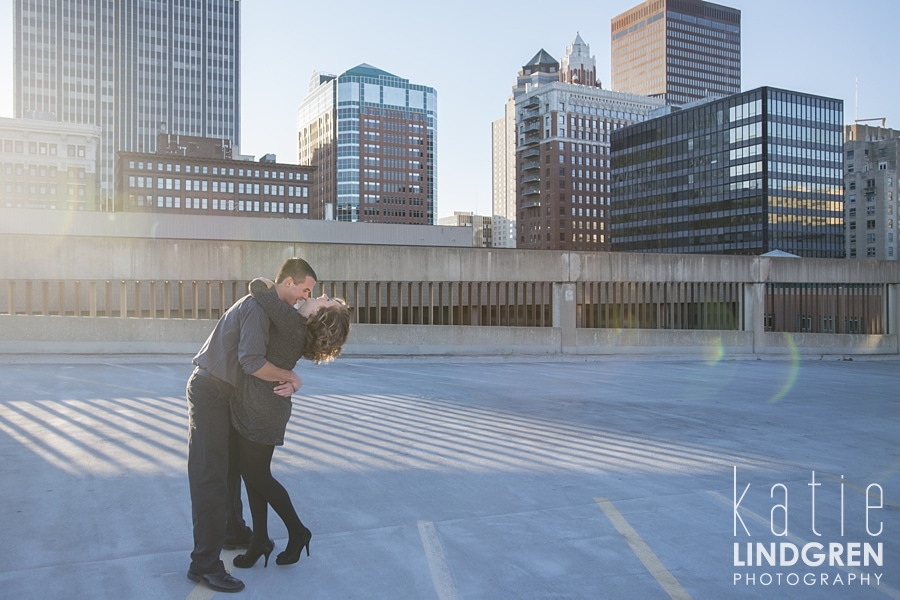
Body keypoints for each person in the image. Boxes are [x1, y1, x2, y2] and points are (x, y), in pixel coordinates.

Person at [186, 258, 317, 593]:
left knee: (231, 471)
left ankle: (233, 532)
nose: (305, 297)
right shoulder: (260, 309)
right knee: (211, 477)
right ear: (289, 282)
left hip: (227, 395)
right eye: (305, 290)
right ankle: (205, 565)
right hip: (212, 391)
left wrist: (289, 380)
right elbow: (252, 361)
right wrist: (290, 376)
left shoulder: (268, 305)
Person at [229, 277, 350, 570]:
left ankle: (297, 532)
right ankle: (260, 540)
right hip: (262, 408)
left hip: (263, 411)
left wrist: (278, 283)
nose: (320, 295)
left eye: (326, 299)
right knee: (253, 475)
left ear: (318, 316)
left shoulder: (290, 321)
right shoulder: (294, 324)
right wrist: (293, 379)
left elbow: (257, 288)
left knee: (257, 477)